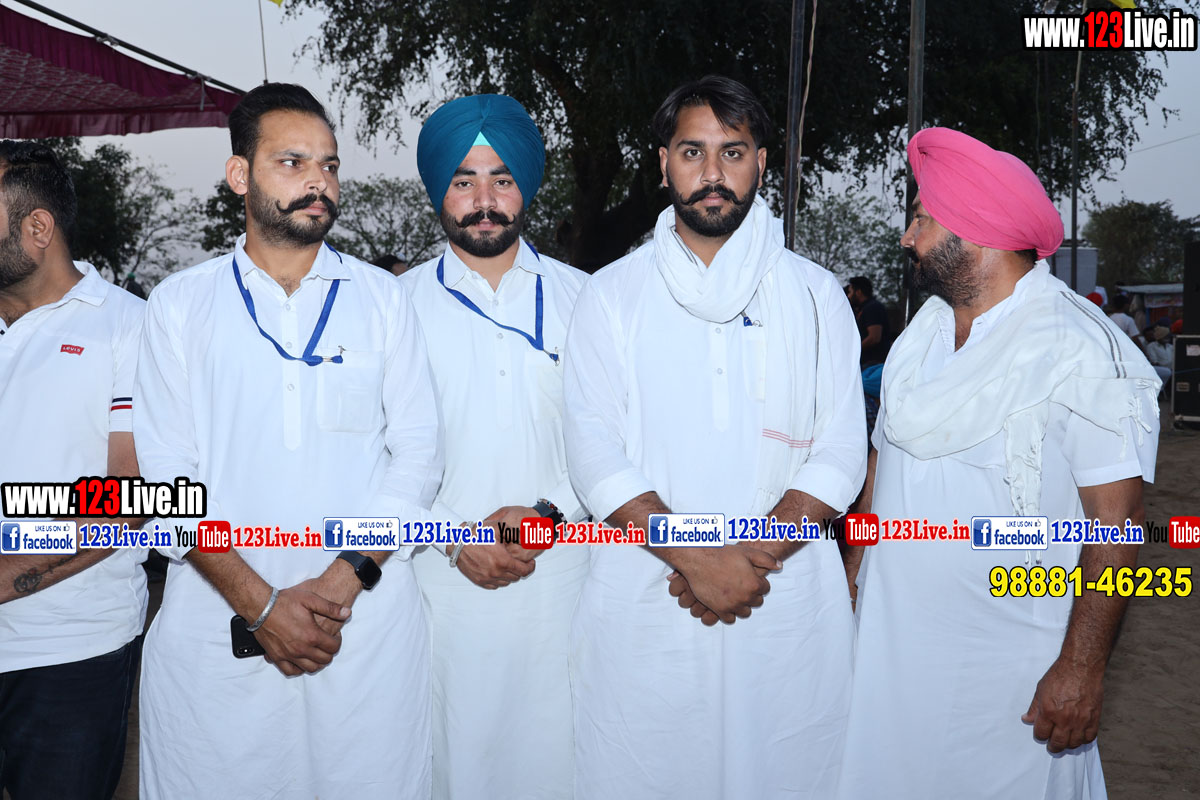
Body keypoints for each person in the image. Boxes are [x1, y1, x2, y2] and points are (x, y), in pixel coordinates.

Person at [133, 83, 443, 799]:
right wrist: (263, 605)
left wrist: (342, 580)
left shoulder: (383, 298)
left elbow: (420, 454)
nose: (318, 182)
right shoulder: (181, 304)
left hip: (362, 623)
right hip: (217, 627)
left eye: (329, 165)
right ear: (239, 175)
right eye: (293, 162)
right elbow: (167, 479)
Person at [564, 76, 866, 799]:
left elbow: (841, 449)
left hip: (783, 594)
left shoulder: (815, 294)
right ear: (663, 163)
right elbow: (592, 448)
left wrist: (752, 560)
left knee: (788, 772)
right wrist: (695, 558)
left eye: (732, 152)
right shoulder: (610, 293)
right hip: (649, 592)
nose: (712, 172)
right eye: (691, 151)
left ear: (761, 162)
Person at [840, 127, 1160, 799]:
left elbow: (1119, 523)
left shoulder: (1079, 350)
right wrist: (852, 574)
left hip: (1013, 672)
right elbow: (879, 471)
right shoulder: (920, 339)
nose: (907, 238)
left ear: (974, 230)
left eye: (922, 220)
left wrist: (1081, 669)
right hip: (892, 653)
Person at [402, 93, 589, 800]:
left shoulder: (587, 299)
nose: (484, 202)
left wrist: (549, 515)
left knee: (564, 762)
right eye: (464, 181)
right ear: (438, 190)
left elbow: (614, 438)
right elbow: (378, 455)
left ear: (526, 187)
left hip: (566, 582)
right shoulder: (394, 307)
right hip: (440, 586)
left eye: (502, 180)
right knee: (454, 763)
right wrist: (453, 539)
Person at [0, 140, 147, 799]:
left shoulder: (129, 327)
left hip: (69, 651)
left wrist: (8, 574)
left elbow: (134, 496)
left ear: (37, 228)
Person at [846, 275, 890, 366]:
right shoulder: (862, 309)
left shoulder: (872, 307)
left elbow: (874, 338)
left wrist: (852, 351)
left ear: (858, 292)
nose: (848, 296)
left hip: (872, 364)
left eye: (850, 292)